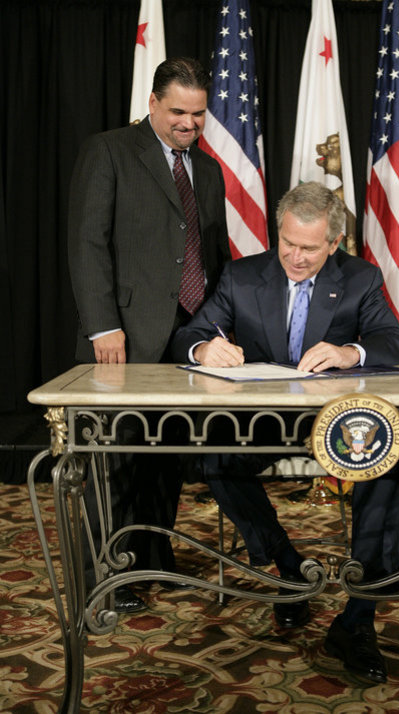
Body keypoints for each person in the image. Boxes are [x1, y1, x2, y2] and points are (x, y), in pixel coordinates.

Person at [171, 181, 399, 684]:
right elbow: (192, 332)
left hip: (337, 422)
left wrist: (350, 354)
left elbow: (394, 342)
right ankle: (287, 567)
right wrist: (203, 350)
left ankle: (357, 618)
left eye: (309, 248)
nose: (296, 258)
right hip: (265, 418)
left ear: (333, 244)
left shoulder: (360, 278)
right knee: (216, 457)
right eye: (287, 244)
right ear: (277, 232)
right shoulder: (241, 275)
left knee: (389, 462)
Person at [68, 57, 231, 613]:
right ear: (154, 104)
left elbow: (215, 256)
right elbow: (88, 243)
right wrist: (102, 325)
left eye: (199, 114)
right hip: (124, 337)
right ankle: (103, 577)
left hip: (190, 338)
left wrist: (219, 328)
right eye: (179, 113)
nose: (189, 124)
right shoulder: (110, 150)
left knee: (168, 454)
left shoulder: (207, 171)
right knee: (114, 461)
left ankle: (155, 558)